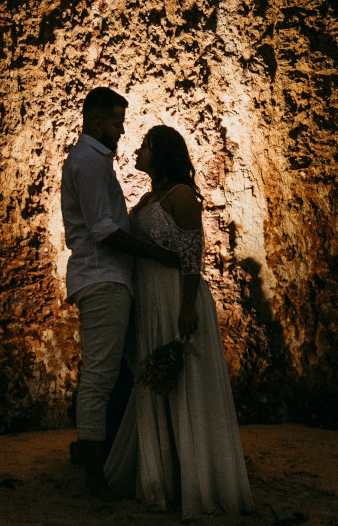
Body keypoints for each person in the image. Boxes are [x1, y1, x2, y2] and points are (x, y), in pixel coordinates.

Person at [104, 125, 253, 518]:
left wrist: (187, 307)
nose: (138, 150)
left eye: (146, 146)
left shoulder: (182, 196)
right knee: (155, 383)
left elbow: (192, 256)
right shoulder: (149, 197)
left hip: (176, 297)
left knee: (186, 383)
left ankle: (197, 480)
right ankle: (163, 478)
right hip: (151, 299)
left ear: (162, 152)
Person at [60, 87, 178, 499]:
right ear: (94, 121)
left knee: (126, 370)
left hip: (109, 280)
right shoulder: (90, 162)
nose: (122, 131)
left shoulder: (93, 161)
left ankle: (120, 459)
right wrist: (158, 255)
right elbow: (104, 231)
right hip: (103, 279)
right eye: (115, 122)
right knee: (99, 379)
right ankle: (95, 478)